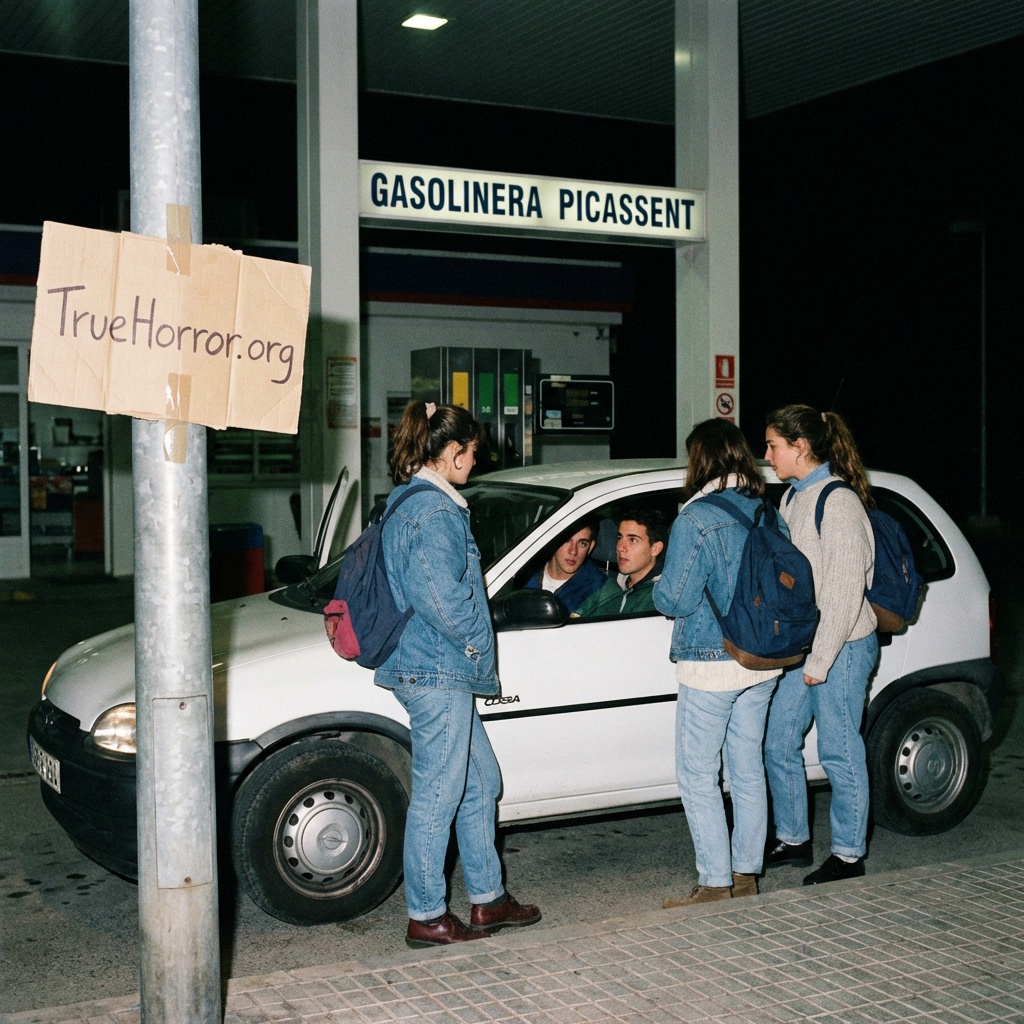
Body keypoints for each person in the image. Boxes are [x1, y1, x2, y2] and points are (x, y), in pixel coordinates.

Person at [376, 400, 541, 946]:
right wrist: (475, 644)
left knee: (480, 783)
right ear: (451, 451)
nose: (475, 462)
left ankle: (489, 900)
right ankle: (426, 915)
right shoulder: (435, 511)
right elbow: (443, 601)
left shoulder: (410, 499)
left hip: (429, 667)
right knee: (437, 796)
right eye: (471, 452)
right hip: (436, 670)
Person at [652, 419, 783, 906]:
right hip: (762, 659)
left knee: (697, 774)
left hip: (711, 662)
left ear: (700, 460)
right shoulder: (767, 511)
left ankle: (714, 882)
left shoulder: (697, 519)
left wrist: (658, 583)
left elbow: (675, 600)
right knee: (747, 768)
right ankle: (745, 874)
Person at [762, 403, 879, 885]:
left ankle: (849, 855)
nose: (767, 455)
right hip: (808, 645)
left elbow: (845, 592)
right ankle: (794, 839)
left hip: (843, 645)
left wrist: (821, 660)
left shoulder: (839, 503)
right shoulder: (793, 497)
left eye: (773, 446)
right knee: (778, 740)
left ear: (800, 446)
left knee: (839, 749)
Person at [571, 509, 667, 618]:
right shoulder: (608, 586)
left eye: (632, 540)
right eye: (619, 538)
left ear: (655, 549)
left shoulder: (659, 599)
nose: (620, 547)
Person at [523, 515, 605, 612]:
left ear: (590, 547)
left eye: (582, 543)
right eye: (567, 541)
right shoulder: (523, 576)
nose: (573, 551)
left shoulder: (599, 590)